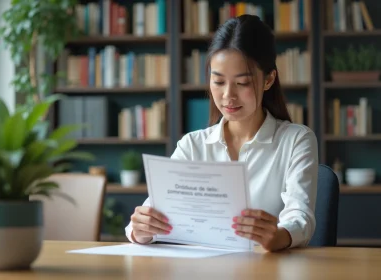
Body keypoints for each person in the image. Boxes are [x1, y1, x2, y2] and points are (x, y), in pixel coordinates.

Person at [125, 14, 318, 252]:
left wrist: (278, 236)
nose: (228, 96)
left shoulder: (296, 140)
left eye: (243, 83)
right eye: (218, 82)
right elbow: (155, 212)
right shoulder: (192, 145)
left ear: (268, 79)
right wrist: (141, 231)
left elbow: (300, 216)